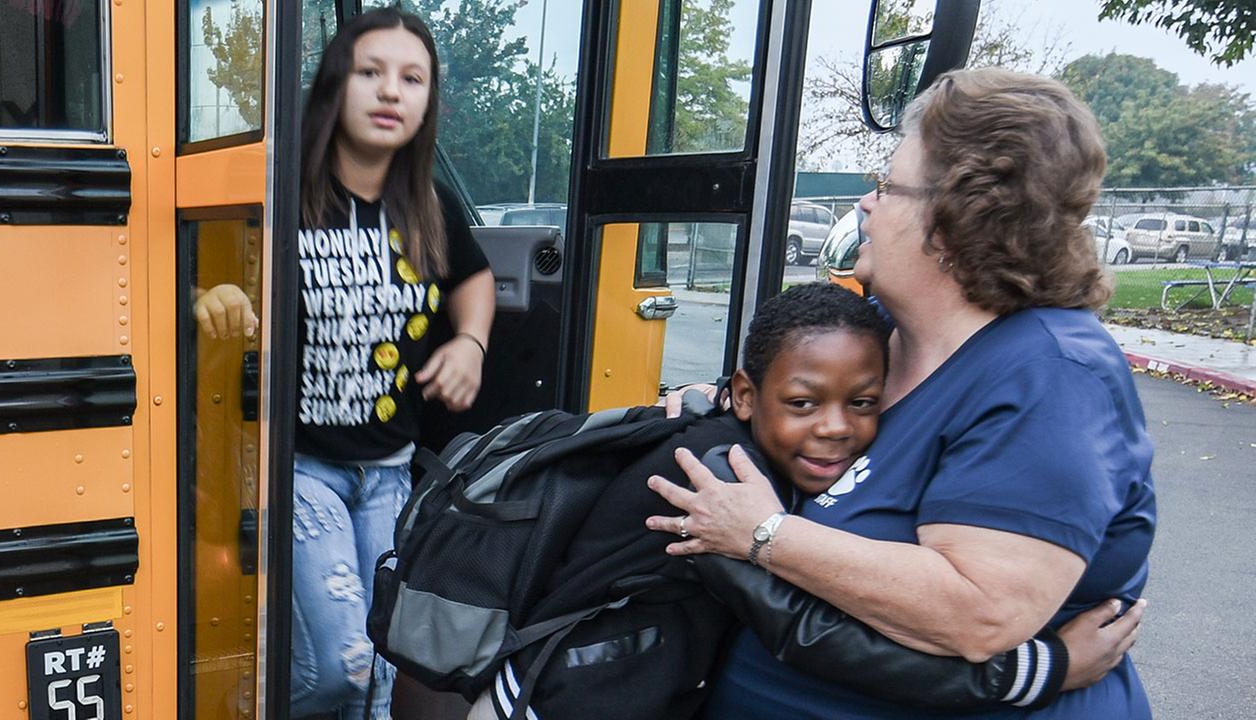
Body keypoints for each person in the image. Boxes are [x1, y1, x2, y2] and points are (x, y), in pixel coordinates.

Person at [649, 67, 1156, 719]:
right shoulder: (883, 334)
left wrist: (764, 534)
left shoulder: (1053, 374)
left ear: (954, 221)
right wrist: (726, 399)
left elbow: (979, 614)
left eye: (887, 186)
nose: (866, 203)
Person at [465, 283, 1139, 720]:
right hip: (559, 701)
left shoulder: (758, 452)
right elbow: (809, 633)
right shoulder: (713, 481)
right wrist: (1039, 670)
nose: (836, 427)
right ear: (749, 394)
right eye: (802, 402)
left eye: (866, 403)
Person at [194, 10, 494, 719]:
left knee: (381, 676)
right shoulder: (280, 195)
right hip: (299, 467)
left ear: (427, 102)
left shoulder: (426, 205)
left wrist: (470, 342)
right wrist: (217, 295)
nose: (391, 91)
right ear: (335, 86)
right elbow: (203, 281)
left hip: (388, 471)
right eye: (371, 73)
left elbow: (472, 280)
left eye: (412, 78)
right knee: (339, 668)